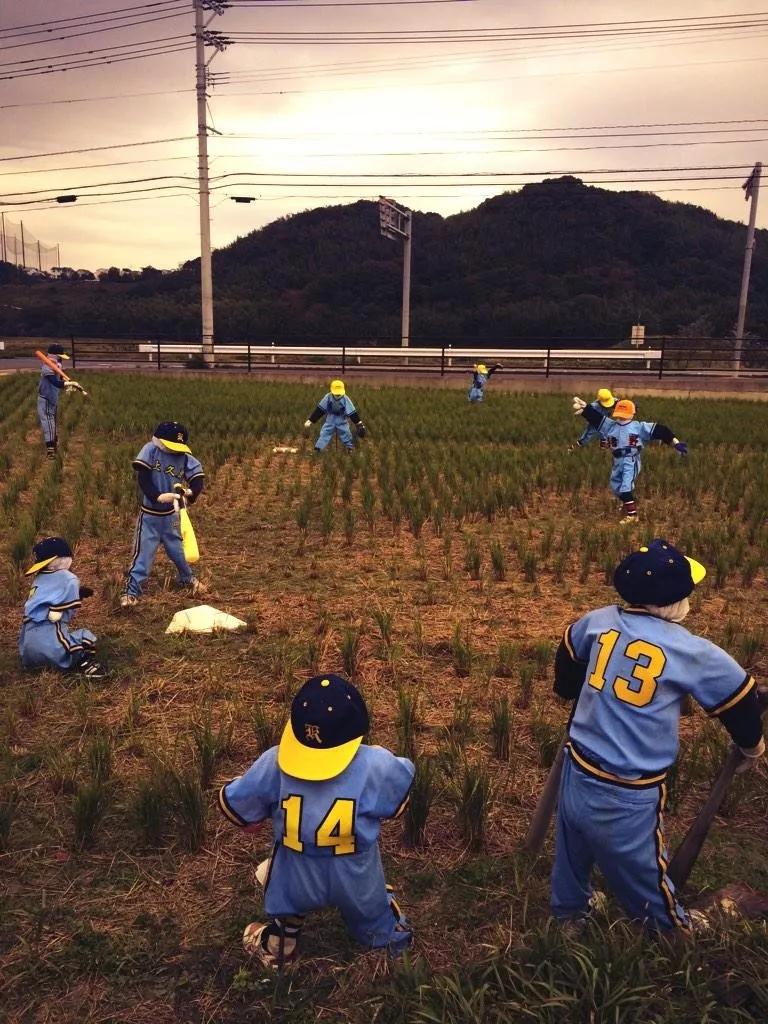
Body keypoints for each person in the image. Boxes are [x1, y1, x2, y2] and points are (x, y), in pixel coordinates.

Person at [551, 538, 765, 935]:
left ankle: (570, 915)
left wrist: (572, 689)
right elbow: (741, 702)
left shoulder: (597, 621)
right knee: (644, 872)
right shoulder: (691, 650)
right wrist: (752, 745)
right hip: (627, 792)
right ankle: (670, 929)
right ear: (677, 603)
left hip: (577, 768)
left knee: (571, 852)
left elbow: (567, 658)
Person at [218, 673, 415, 967]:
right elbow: (397, 805)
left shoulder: (275, 762)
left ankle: (280, 944)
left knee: (283, 891)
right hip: (356, 875)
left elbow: (240, 811)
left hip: (296, 873)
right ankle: (388, 939)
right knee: (374, 914)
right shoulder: (376, 765)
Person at [120, 421, 205, 608]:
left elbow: (197, 478)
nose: (174, 451)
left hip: (172, 516)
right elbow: (143, 477)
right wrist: (157, 496)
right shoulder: (151, 450)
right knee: (143, 555)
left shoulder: (183, 457)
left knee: (178, 551)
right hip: (149, 517)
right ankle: (131, 591)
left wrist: (190, 493)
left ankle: (187, 578)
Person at [572, 396, 687, 523]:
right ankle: (627, 503)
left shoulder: (639, 427)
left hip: (630, 460)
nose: (621, 417)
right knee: (615, 486)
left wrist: (675, 442)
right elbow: (597, 418)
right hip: (617, 460)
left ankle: (633, 515)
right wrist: (586, 409)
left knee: (625, 487)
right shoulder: (611, 426)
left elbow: (661, 430)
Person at [18, 536, 107, 678]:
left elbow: (47, 599)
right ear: (64, 558)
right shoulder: (68, 578)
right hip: (52, 648)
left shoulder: (38, 579)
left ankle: (39, 664)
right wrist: (74, 593)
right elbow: (57, 610)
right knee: (86, 637)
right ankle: (85, 664)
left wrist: (78, 594)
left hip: (27, 652)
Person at [37, 343, 83, 459]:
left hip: (53, 399)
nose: (61, 359)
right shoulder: (47, 367)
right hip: (45, 399)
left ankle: (54, 446)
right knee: (49, 424)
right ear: (55, 356)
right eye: (60, 357)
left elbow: (61, 379)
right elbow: (55, 382)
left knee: (53, 424)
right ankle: (50, 451)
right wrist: (69, 383)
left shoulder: (57, 365)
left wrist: (69, 384)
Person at [304, 380, 366, 452]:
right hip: (330, 418)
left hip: (342, 418)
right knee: (325, 432)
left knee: (346, 432)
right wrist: (311, 420)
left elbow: (352, 412)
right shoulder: (328, 397)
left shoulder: (345, 399)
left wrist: (359, 423)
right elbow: (320, 409)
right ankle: (318, 448)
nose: (337, 395)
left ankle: (350, 448)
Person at [569, 387, 617, 452]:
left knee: (604, 434)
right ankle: (575, 447)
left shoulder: (613, 401)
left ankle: (603, 447)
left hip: (604, 421)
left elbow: (618, 403)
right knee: (588, 435)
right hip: (595, 422)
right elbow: (588, 408)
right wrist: (583, 410)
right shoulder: (595, 405)